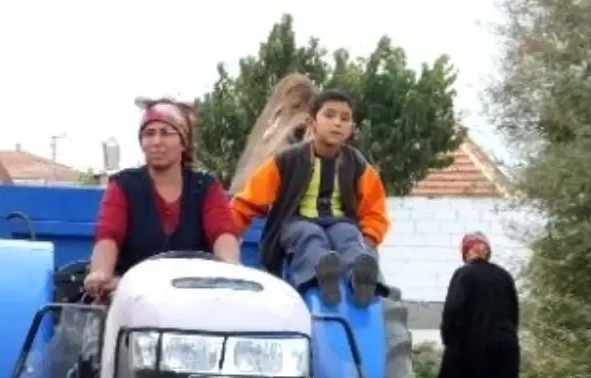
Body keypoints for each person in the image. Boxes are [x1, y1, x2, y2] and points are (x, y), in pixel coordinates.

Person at [228, 89, 391, 306]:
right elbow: (249, 200)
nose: (337, 123)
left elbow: (374, 209)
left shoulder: (358, 165)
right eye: (329, 115)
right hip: (297, 221)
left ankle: (362, 276)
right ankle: (321, 275)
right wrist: (226, 234)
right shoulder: (286, 161)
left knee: (349, 235)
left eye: (345, 118)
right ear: (312, 122)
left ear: (351, 128)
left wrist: (368, 241)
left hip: (339, 221)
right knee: (310, 236)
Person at [83, 99, 241, 298]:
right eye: (149, 134)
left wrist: (230, 272)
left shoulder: (206, 187)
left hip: (194, 299)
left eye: (165, 133)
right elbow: (108, 235)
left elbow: (222, 233)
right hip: (132, 300)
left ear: (184, 142)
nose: (156, 141)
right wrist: (100, 274)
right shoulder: (123, 185)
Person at [415, 232, 521, 378]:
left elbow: (453, 311)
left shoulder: (463, 275)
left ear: (466, 252)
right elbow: (513, 313)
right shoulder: (504, 276)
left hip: (468, 346)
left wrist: (449, 340)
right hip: (504, 347)